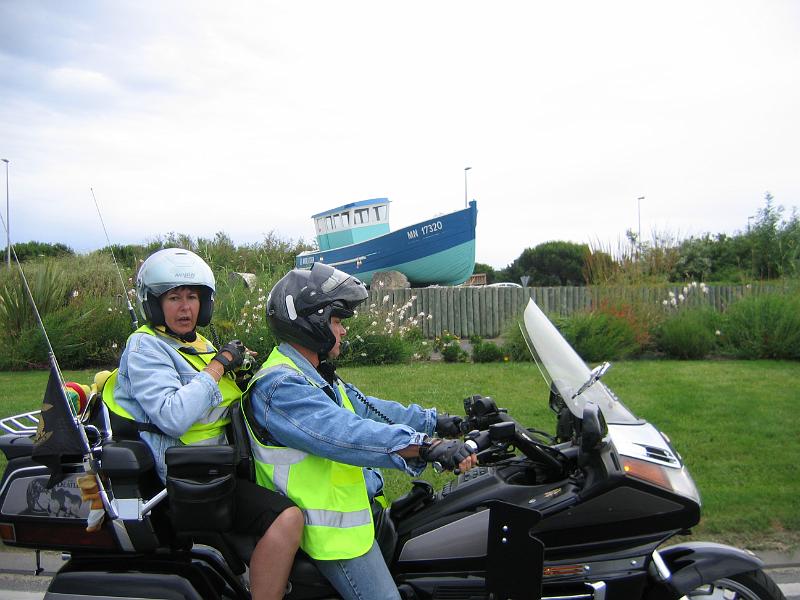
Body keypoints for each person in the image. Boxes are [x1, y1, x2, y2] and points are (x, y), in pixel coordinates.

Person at [244, 263, 478, 600]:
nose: (343, 331)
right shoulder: (280, 386)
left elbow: (368, 409)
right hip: (328, 535)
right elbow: (345, 434)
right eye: (337, 321)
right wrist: (425, 446)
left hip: (356, 519)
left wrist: (437, 422)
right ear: (311, 323)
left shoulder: (312, 374)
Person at [104, 248, 303, 600]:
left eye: (192, 297)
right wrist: (219, 364)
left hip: (219, 463)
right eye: (174, 298)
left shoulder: (197, 343)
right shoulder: (145, 347)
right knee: (287, 517)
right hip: (188, 474)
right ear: (154, 304)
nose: (185, 308)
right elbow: (173, 415)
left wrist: (237, 371)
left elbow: (214, 398)